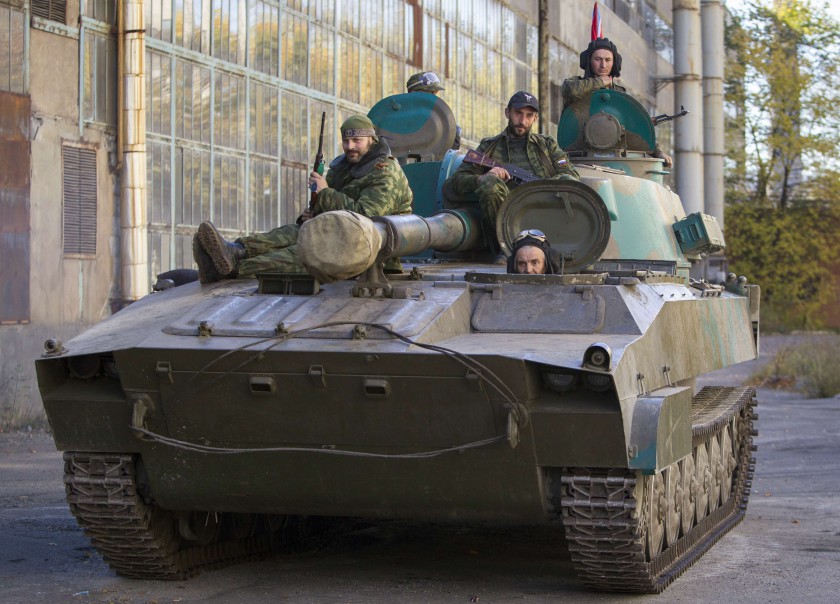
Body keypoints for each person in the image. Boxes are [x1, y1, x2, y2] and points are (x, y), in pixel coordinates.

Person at [193, 115, 413, 283]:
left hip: (369, 248)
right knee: (292, 232)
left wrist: (325, 193)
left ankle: (232, 269)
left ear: (371, 140)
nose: (350, 146)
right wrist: (314, 212)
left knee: (302, 254)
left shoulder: (385, 171)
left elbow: (367, 216)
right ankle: (234, 250)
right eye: (346, 141)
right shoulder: (344, 167)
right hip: (337, 230)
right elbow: (334, 207)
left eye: (356, 140)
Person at [446, 91, 579, 254]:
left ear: (535, 118)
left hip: (543, 213)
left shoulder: (547, 146)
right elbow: (456, 181)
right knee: (490, 185)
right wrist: (483, 178)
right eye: (518, 113)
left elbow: (571, 175)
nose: (523, 121)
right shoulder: (489, 147)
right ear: (507, 112)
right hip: (502, 222)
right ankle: (506, 250)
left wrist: (542, 187)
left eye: (529, 115)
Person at [562, 38, 673, 168]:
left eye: (608, 60)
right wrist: (600, 82)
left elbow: (634, 127)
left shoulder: (619, 95)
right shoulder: (575, 85)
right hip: (578, 158)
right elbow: (570, 91)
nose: (603, 65)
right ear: (589, 61)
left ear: (615, 63)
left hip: (615, 162)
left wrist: (658, 152)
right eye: (597, 59)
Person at [406, 71, 460, 150]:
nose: (433, 97)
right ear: (414, 93)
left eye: (434, 93)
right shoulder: (400, 115)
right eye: (428, 92)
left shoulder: (440, 122)